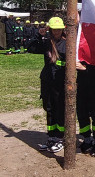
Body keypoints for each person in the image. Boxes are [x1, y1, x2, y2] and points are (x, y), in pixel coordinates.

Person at [28, 16, 67, 153]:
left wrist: (58, 63)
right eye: (54, 30)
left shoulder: (67, 43)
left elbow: (69, 63)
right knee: (48, 108)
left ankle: (60, 138)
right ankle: (51, 137)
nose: (56, 32)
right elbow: (31, 48)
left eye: (58, 30)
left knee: (59, 110)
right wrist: (39, 35)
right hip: (47, 81)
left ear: (62, 29)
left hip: (60, 82)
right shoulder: (46, 42)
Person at [76, 59, 95, 157]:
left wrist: (85, 69)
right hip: (81, 84)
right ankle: (87, 139)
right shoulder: (80, 46)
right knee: (82, 113)